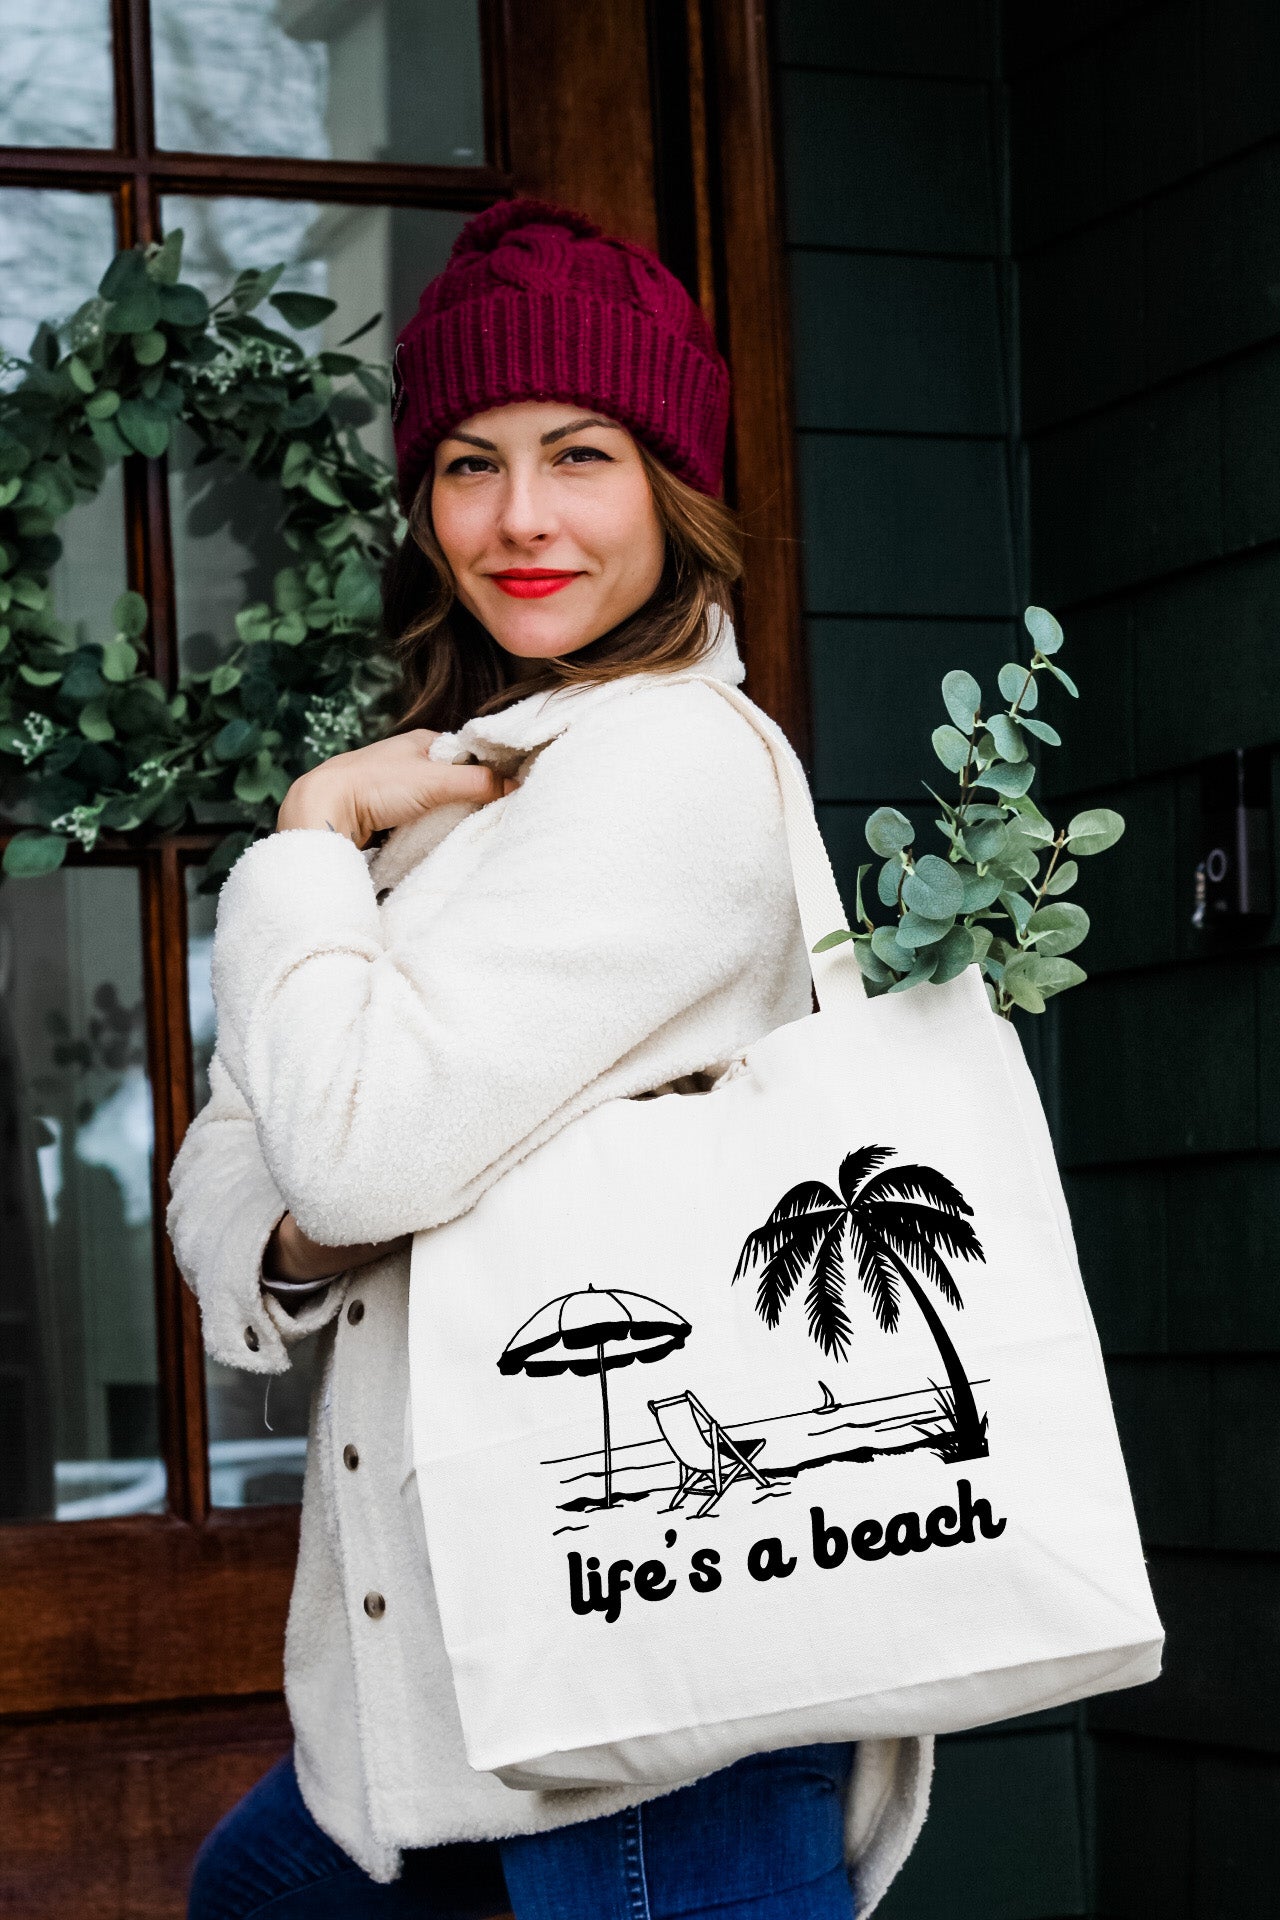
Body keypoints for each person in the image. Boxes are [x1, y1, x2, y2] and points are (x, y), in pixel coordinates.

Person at [171, 199, 932, 1920]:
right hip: (451, 1685)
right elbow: (238, 1173)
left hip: (653, 1681)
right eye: (466, 462)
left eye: (578, 454)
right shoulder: (464, 789)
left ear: (672, 485)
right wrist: (310, 1205)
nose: (518, 519)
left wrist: (304, 836)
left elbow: (348, 1152)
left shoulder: (663, 767)